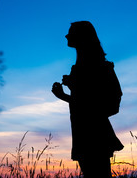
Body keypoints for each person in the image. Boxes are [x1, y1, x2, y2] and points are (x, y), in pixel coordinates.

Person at [52, 21, 124, 178]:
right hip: (83, 133)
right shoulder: (78, 67)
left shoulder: (101, 67)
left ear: (82, 37)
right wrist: (66, 94)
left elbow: (110, 102)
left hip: (95, 135)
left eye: (71, 32)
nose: (67, 35)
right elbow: (83, 103)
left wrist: (74, 88)